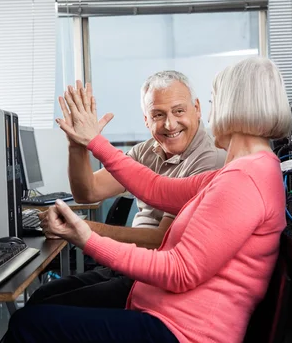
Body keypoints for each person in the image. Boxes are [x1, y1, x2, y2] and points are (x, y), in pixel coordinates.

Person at [0, 57, 292, 343]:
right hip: (169, 321)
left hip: (185, 342)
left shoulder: (244, 179)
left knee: (28, 328)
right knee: (40, 318)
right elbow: (158, 189)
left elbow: (181, 271)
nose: (212, 110)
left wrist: (86, 237)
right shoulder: (244, 171)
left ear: (232, 106)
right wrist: (93, 143)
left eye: (214, 100)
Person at [29, 71, 226, 308]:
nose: (169, 124)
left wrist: (81, 228)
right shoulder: (147, 151)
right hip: (129, 267)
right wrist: (77, 144)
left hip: (155, 280)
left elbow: (160, 240)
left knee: (43, 313)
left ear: (197, 108)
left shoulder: (209, 158)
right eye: (158, 114)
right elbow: (88, 193)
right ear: (146, 119)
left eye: (179, 111)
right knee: (41, 297)